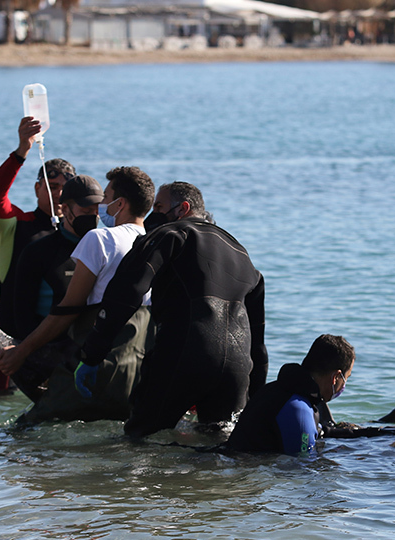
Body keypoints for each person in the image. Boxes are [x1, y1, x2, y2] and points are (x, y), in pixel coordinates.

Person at [74, 181, 267, 439]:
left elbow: (126, 292)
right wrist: (256, 397)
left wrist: (92, 354)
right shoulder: (241, 252)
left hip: (184, 353)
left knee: (139, 439)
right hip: (237, 366)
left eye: (160, 206)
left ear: (183, 208)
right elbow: (258, 339)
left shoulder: (171, 234)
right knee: (218, 444)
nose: (154, 214)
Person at [0, 167, 154, 422]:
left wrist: (21, 352)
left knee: (26, 432)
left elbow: (68, 309)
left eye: (103, 201)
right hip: (137, 373)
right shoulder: (157, 242)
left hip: (91, 363)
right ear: (65, 209)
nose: (99, 210)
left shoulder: (99, 239)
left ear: (120, 203)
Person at [0, 116, 74, 392]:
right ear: (37, 188)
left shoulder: (82, 234)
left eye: (64, 187)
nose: (58, 193)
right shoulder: (15, 224)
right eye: (51, 186)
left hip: (61, 338)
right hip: (11, 338)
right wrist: (22, 150)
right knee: (0, 402)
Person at [226, 335, 354, 456]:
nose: (344, 385)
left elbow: (318, 432)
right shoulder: (300, 409)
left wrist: (360, 433)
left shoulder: (280, 390)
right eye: (346, 378)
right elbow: (303, 466)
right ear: (336, 377)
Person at [12, 174, 103, 343]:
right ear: (66, 209)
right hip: (47, 347)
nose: (93, 217)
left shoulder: (103, 249)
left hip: (87, 348)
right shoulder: (39, 251)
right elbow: (22, 315)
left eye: (97, 211)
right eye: (86, 211)